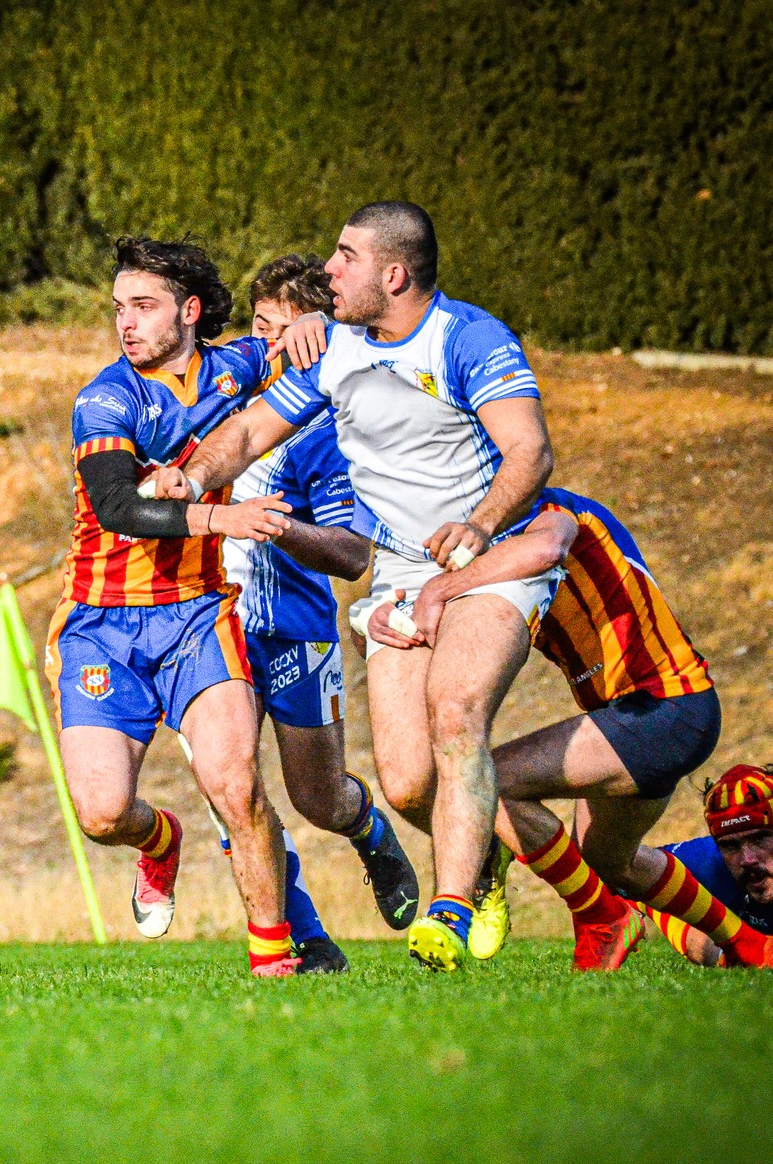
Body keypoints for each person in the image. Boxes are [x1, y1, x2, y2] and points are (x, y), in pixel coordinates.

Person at [181, 202, 558, 972]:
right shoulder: (337, 348)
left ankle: (446, 916)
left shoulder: (470, 339)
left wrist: (481, 526)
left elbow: (530, 452)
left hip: (492, 557)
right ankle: (480, 866)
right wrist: (189, 478)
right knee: (408, 780)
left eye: (345, 256)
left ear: (394, 273)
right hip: (403, 572)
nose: (329, 269)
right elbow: (251, 432)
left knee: (456, 713)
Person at [362, 486, 773, 968]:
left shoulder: (551, 512)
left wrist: (439, 589)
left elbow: (546, 547)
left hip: (665, 705)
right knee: (611, 862)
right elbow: (453, 627)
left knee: (484, 778)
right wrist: (388, 617)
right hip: (632, 720)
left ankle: (598, 916)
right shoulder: (488, 566)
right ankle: (755, 945)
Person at [49, 235, 324, 976]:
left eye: (143, 307)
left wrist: (313, 327)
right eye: (118, 309)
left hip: (200, 614)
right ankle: (160, 842)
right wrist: (218, 518)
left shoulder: (236, 366)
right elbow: (116, 508)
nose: (125, 324)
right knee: (104, 814)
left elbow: (321, 344)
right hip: (103, 628)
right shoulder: (105, 399)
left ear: (190, 311)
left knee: (237, 784)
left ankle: (273, 958)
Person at [200, 255, 420, 950]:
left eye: (287, 330)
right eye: (261, 325)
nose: (268, 344)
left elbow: (356, 554)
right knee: (230, 791)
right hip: (208, 629)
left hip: (294, 632)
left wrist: (280, 526)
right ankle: (305, 937)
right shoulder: (216, 401)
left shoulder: (328, 428)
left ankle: (369, 830)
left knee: (317, 799)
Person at [629, 766, 773, 967]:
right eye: (730, 845)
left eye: (760, 839)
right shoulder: (705, 861)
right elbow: (620, 868)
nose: (747, 859)